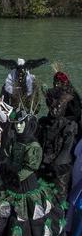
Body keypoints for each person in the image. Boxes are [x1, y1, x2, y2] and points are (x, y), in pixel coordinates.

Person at [0, 111, 68, 236]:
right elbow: (8, 157)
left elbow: (30, 167)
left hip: (26, 186)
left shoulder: (33, 146)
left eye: (21, 123)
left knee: (26, 217)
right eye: (16, 124)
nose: (18, 126)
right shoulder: (14, 141)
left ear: (28, 124)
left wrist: (15, 176)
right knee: (6, 212)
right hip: (12, 184)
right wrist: (6, 170)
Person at [38, 72, 79, 202]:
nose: (53, 108)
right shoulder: (44, 123)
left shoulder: (70, 97)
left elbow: (66, 150)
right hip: (48, 158)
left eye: (58, 82)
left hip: (61, 161)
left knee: (60, 192)